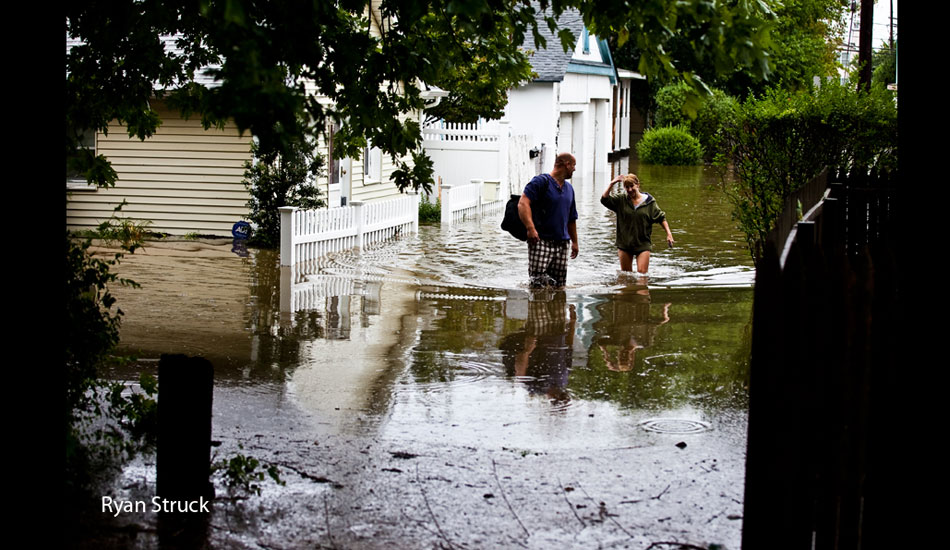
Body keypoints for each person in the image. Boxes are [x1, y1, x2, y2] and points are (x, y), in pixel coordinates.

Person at [518, 153, 579, 288]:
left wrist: (574, 242)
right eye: (573, 165)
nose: (574, 169)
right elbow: (523, 203)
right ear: (566, 164)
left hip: (563, 244)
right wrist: (530, 228)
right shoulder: (540, 182)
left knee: (559, 286)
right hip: (541, 241)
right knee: (537, 285)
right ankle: (537, 307)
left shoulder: (569, 189)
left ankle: (557, 308)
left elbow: (572, 218)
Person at [601, 173, 674, 274]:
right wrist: (612, 183)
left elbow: (661, 218)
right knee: (627, 277)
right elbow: (604, 200)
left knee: (642, 275)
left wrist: (669, 234)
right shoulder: (621, 200)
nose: (630, 190)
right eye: (627, 187)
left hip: (643, 244)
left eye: (632, 186)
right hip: (625, 244)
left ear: (637, 185)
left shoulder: (649, 202)